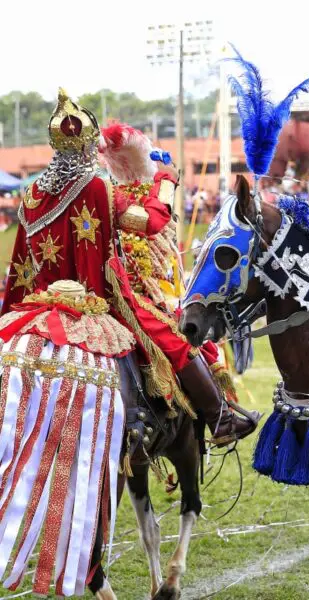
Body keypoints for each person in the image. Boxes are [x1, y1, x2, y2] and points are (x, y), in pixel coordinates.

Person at [2, 90, 258, 447]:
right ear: (88, 145)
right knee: (174, 339)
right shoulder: (95, 186)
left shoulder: (30, 196)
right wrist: (166, 180)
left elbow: (21, 265)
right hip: (101, 300)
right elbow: (152, 222)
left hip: (41, 305)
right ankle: (221, 418)